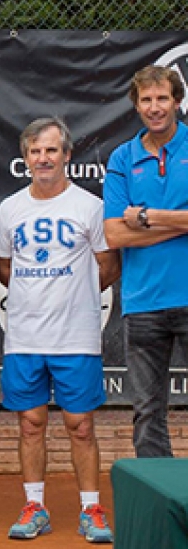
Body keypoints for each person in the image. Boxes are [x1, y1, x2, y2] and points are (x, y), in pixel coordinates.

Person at [0, 118, 120, 544]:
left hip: (76, 336)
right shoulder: (10, 210)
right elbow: (5, 270)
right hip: (25, 337)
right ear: (25, 157)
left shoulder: (90, 207)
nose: (42, 158)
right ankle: (35, 507)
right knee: (30, 424)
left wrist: (74, 295)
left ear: (67, 154)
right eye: (34, 151)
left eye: (51, 150)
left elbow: (108, 267)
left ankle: (91, 509)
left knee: (80, 425)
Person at [104, 65, 188, 459]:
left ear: (177, 101)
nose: (155, 107)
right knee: (148, 413)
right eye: (147, 100)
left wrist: (147, 215)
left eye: (162, 98)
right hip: (142, 305)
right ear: (137, 106)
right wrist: (181, 220)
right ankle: (161, 510)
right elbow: (115, 235)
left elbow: (130, 225)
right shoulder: (123, 158)